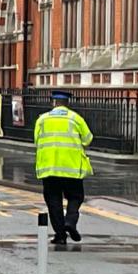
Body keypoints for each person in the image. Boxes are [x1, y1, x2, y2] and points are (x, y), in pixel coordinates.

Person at [34, 90, 93, 244]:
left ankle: (60, 235)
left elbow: (36, 140)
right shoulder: (75, 118)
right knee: (75, 197)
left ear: (53, 102)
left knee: (53, 201)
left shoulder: (42, 119)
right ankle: (70, 221)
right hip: (71, 168)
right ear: (68, 103)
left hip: (49, 168)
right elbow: (88, 139)